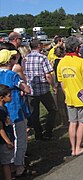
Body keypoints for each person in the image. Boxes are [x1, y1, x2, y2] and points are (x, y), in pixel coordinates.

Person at [57, 36, 83, 156]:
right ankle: (78, 147)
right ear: (77, 48)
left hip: (69, 97)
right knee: (82, 123)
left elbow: (61, 82)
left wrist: (67, 93)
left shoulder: (61, 62)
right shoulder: (81, 62)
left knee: (72, 122)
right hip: (82, 97)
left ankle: (73, 149)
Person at [0, 49, 31, 177]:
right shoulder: (12, 75)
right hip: (15, 111)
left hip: (2, 113)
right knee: (20, 139)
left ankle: (9, 165)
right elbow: (27, 89)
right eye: (12, 58)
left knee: (6, 139)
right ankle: (19, 166)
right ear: (8, 61)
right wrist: (24, 89)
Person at [25, 39, 57, 141]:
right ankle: (48, 132)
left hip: (31, 89)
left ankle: (38, 134)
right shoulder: (42, 58)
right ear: (39, 46)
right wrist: (53, 86)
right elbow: (48, 75)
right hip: (43, 89)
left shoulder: (25, 58)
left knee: (34, 114)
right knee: (52, 110)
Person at [0, 84, 14, 180]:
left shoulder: (4, 108)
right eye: (9, 95)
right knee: (6, 163)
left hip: (8, 137)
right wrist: (8, 141)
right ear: (2, 98)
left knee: (8, 162)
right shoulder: (1, 111)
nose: (11, 97)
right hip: (4, 141)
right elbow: (0, 128)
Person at [53, 46, 68, 125]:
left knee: (61, 104)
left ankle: (64, 120)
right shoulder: (65, 62)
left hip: (58, 83)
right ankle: (67, 119)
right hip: (65, 82)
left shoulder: (55, 62)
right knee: (65, 103)